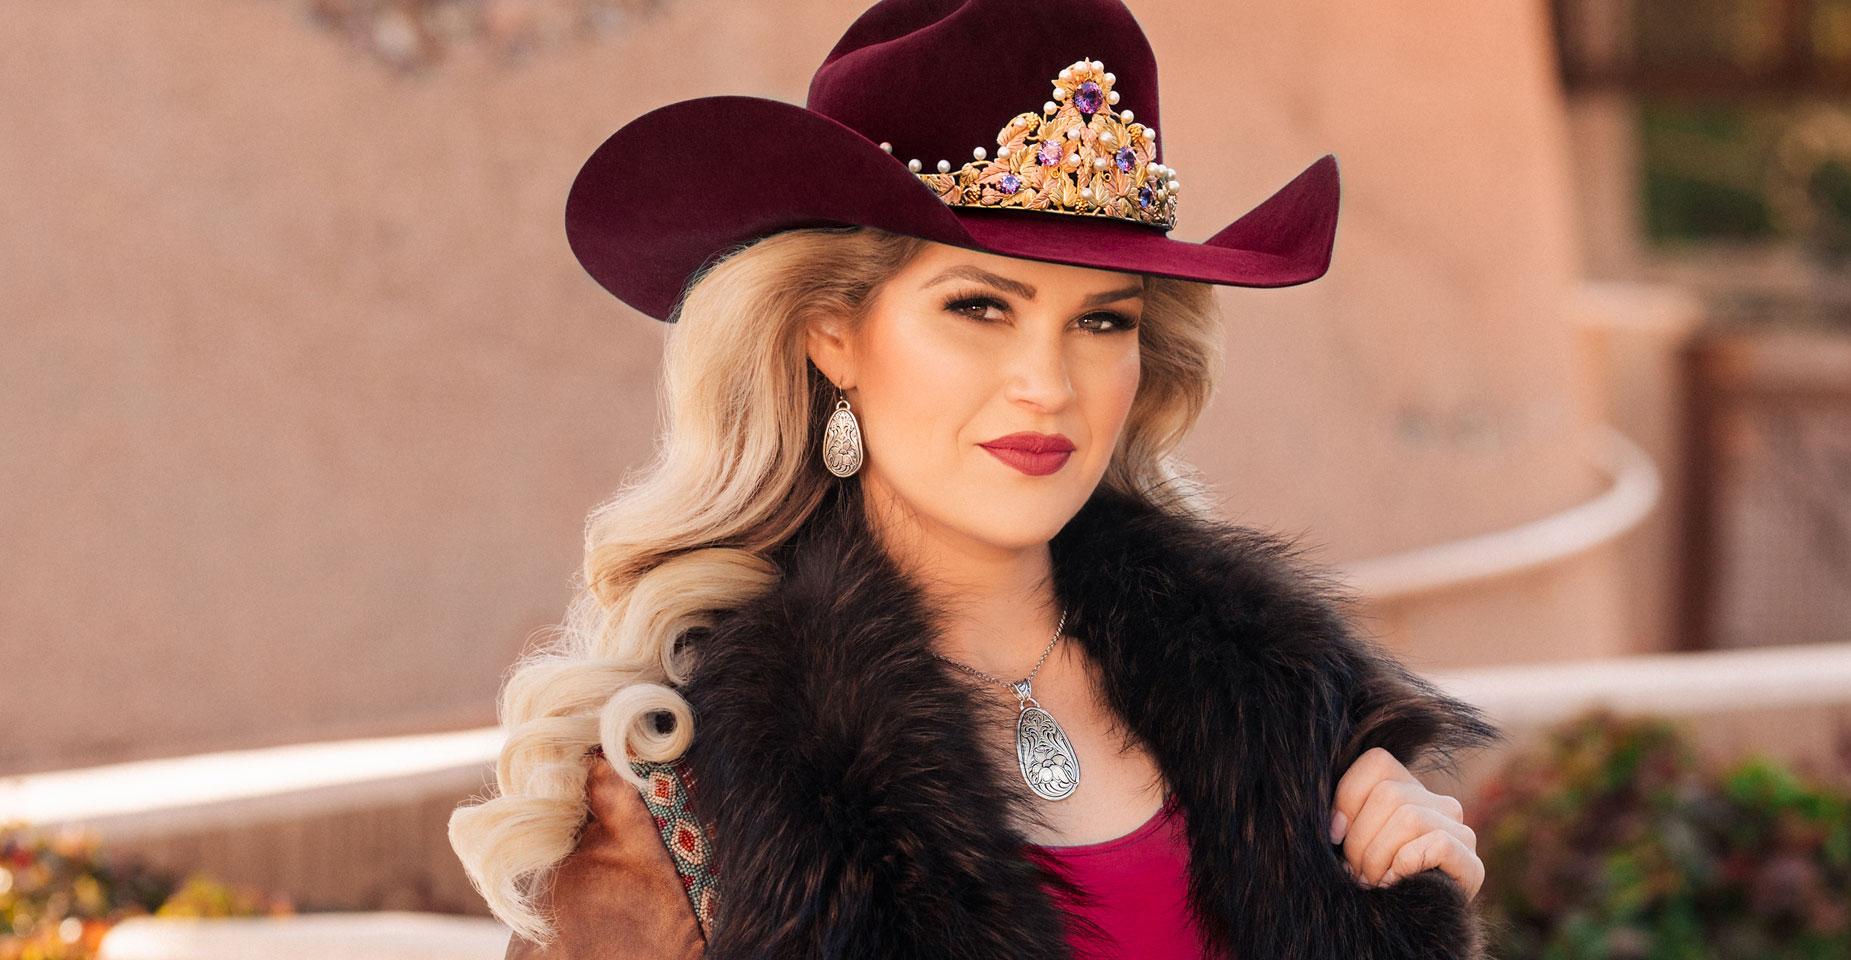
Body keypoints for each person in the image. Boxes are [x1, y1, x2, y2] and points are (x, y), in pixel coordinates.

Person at [447, 0, 1505, 957]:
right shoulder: (686, 796)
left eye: (1100, 320)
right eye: (979, 307)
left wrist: (1407, 913)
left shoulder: (1294, 725)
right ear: (832, 338)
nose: (1046, 385)